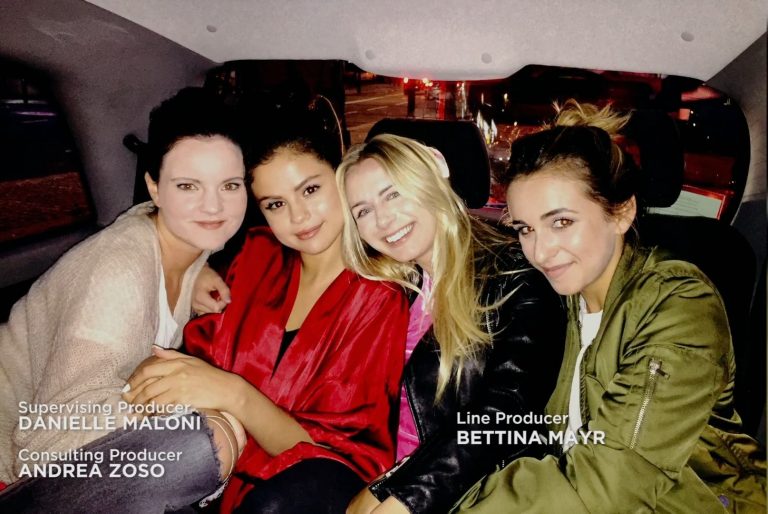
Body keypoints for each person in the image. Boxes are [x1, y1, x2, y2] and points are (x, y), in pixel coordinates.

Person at [455, 100, 766, 513]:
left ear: (621, 213)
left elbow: (611, 479)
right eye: (526, 229)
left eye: (561, 222)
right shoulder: (556, 304)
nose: (540, 251)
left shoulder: (679, 304)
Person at [126, 111, 409, 513]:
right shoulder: (256, 256)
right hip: (206, 467)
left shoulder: (379, 295)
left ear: (340, 174)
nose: (298, 216)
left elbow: (339, 463)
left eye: (310, 189)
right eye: (276, 204)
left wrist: (234, 394)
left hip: (289, 497)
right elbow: (199, 359)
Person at [0, 87, 248, 509]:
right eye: (188, 185)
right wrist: (177, 400)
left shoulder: (187, 245)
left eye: (230, 184)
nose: (213, 206)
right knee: (212, 436)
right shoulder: (116, 275)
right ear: (154, 187)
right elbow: (41, 446)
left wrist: (195, 276)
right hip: (13, 473)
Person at [336, 133, 566, 514]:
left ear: (436, 168)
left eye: (393, 194)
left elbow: (504, 413)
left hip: (469, 492)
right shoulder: (390, 290)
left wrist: (403, 499)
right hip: (383, 473)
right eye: (362, 211)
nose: (383, 220)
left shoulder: (513, 277)